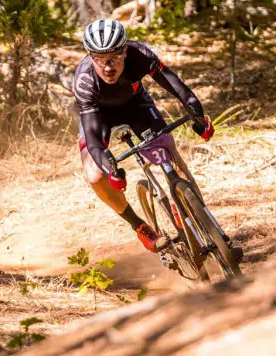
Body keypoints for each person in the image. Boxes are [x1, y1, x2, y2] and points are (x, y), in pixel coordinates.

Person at [74, 19, 214, 253]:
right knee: (95, 175)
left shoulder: (140, 55)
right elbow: (94, 139)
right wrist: (111, 170)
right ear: (90, 56)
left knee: (168, 152)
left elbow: (178, 88)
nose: (108, 66)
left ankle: (203, 219)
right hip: (100, 116)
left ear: (125, 50)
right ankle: (139, 226)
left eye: (115, 57)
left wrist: (198, 116)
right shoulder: (85, 79)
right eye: (99, 58)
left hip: (135, 105)